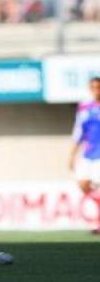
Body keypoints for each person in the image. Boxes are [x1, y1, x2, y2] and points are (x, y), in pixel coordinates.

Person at [68, 77, 100, 234]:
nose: (96, 90)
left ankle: (98, 223)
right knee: (83, 184)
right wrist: (72, 155)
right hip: (88, 153)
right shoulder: (85, 107)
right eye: (93, 87)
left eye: (98, 87)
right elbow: (78, 132)